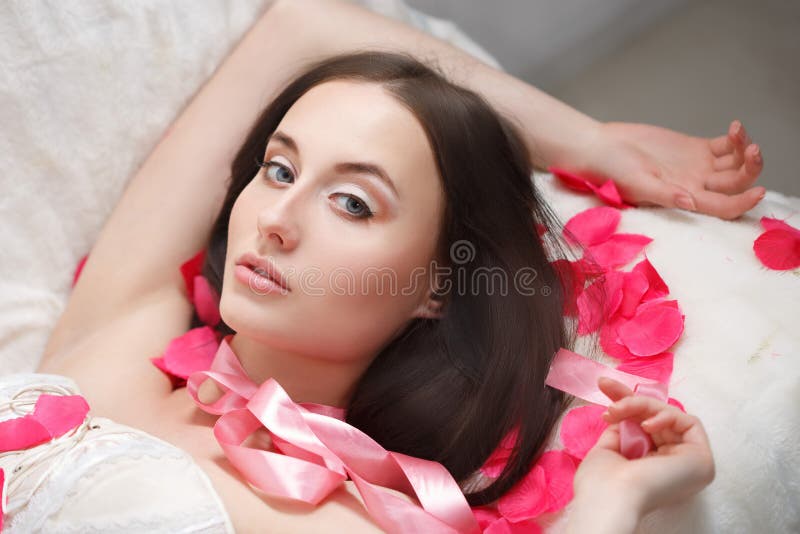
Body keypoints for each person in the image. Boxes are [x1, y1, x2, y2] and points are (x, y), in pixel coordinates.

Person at [5, 0, 738, 531]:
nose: (276, 219)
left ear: (437, 288)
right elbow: (303, 28)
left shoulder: (343, 516)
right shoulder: (123, 326)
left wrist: (610, 504)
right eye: (281, 169)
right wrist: (593, 143)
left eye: (353, 203)